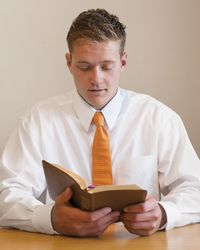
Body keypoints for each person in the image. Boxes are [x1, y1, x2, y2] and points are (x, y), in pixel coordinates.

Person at [0, 8, 200, 238]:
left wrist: (164, 213)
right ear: (68, 62)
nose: (96, 78)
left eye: (107, 66)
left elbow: (196, 189)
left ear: (123, 62)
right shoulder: (37, 121)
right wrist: (51, 218)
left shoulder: (159, 119)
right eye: (84, 67)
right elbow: (7, 196)